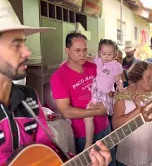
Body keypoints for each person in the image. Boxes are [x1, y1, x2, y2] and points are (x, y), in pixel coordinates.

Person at [0, 0, 111, 165]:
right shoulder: (59, 77)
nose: (27, 52)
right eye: (16, 45)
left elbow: (48, 155)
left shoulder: (29, 99)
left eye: (25, 43)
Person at [50, 33, 116, 165]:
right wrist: (98, 111)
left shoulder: (94, 67)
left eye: (85, 50)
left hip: (106, 129)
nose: (82, 54)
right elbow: (65, 111)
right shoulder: (59, 77)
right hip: (83, 136)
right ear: (67, 51)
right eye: (77, 50)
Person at [112, 61, 152, 166]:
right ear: (137, 77)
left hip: (151, 156)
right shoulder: (122, 95)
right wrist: (137, 110)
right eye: (149, 77)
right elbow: (115, 125)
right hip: (126, 158)